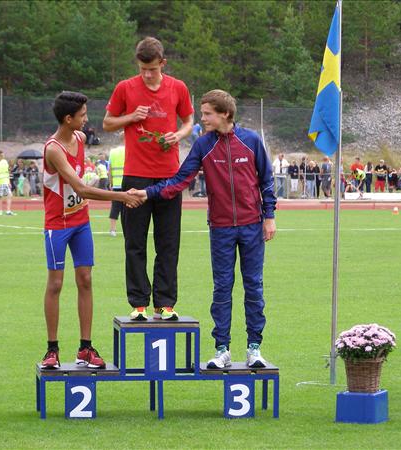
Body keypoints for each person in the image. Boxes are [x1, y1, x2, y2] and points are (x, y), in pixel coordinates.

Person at [130, 90, 276, 368]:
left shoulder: (251, 141)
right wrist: (148, 193)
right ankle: (222, 350)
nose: (202, 119)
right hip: (221, 228)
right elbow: (179, 180)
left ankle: (254, 349)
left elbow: (267, 180)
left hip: (252, 226)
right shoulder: (203, 145)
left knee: (254, 287)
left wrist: (269, 216)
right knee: (222, 289)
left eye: (207, 114)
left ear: (225, 114)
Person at [40, 91, 142, 369]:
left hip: (80, 222)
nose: (86, 119)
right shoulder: (53, 149)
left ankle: (85, 347)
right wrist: (122, 196)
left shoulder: (81, 138)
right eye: (82, 115)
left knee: (85, 280)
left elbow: (81, 180)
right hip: (58, 225)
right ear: (68, 118)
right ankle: (52, 349)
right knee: (56, 284)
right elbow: (81, 189)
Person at [102, 36, 194, 321]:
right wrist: (130, 117)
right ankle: (139, 303)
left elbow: (189, 122)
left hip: (168, 178)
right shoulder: (125, 88)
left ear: (162, 63)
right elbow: (107, 123)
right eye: (142, 69)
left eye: (152, 69)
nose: (147, 75)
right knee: (134, 243)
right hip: (135, 177)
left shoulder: (178, 87)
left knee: (168, 243)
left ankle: (165, 304)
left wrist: (178, 135)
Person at [108, 144, 125, 236]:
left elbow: (109, 170)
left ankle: (112, 230)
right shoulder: (130, 150)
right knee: (129, 208)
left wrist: (111, 183)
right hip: (128, 184)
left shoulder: (112, 152)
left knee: (115, 208)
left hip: (116, 185)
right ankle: (128, 229)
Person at [0, 150, 14, 215]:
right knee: (0, 197)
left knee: (9, 195)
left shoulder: (5, 161)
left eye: (3, 155)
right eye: (1, 155)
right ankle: (0, 211)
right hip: (0, 182)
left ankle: (8, 211)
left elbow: (7, 172)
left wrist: (9, 182)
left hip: (6, 181)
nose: (3, 156)